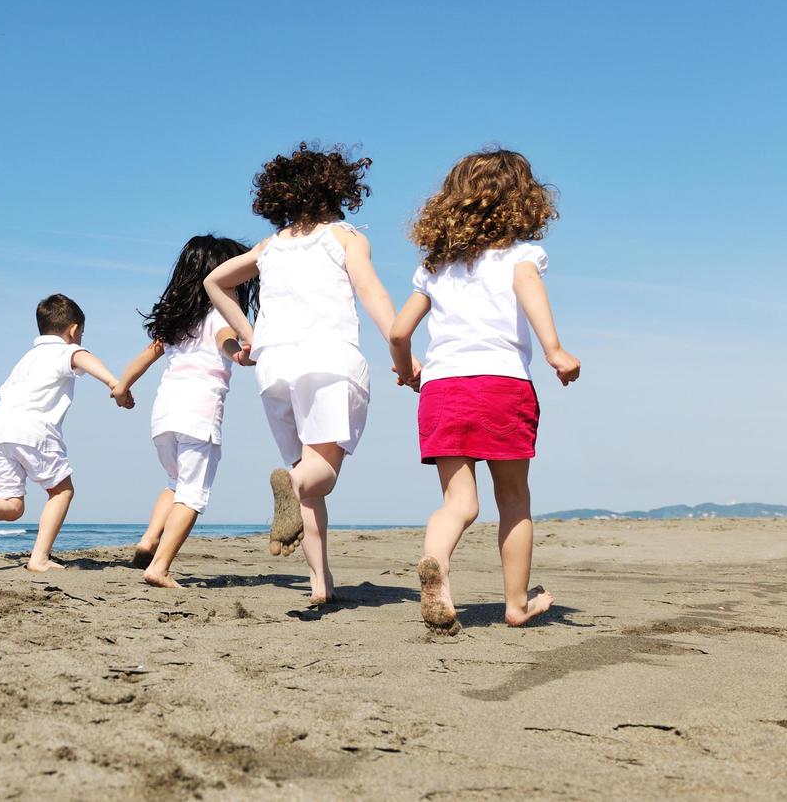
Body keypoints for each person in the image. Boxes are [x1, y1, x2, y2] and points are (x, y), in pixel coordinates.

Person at [389, 146, 579, 633]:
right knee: (513, 499)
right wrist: (555, 350)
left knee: (459, 503)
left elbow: (397, 332)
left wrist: (406, 369)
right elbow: (528, 288)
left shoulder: (433, 268)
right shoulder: (521, 256)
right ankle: (516, 604)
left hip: (443, 387)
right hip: (501, 385)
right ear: (524, 201)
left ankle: (437, 565)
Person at [206, 142, 402, 606]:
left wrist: (249, 335)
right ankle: (289, 485)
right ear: (339, 188)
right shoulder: (344, 237)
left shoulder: (269, 246)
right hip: (330, 359)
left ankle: (320, 584)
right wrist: (400, 346)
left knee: (306, 478)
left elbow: (214, 281)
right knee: (320, 476)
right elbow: (372, 293)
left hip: (275, 367)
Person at [110, 235, 254, 587]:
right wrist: (239, 352)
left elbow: (147, 355)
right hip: (199, 414)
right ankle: (159, 567)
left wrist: (121, 387)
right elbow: (226, 340)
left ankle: (148, 538)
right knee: (192, 494)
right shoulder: (221, 314)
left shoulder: (178, 324)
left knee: (175, 483)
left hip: (164, 416)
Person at [0, 294, 128, 571]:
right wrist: (114, 382)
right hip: (33, 431)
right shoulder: (64, 351)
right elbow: (82, 357)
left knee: (13, 505)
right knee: (61, 491)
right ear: (73, 330)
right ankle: (39, 558)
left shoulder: (26, 360)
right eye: (81, 332)